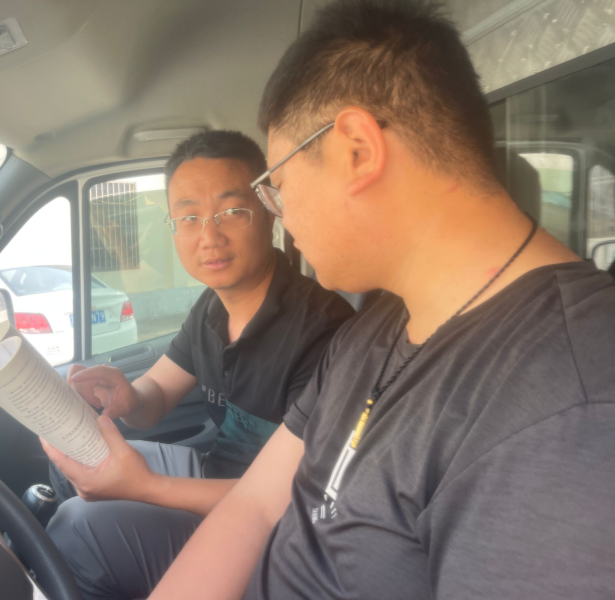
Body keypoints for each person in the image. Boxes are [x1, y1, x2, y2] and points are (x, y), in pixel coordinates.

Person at [147, 1, 615, 599]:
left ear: (358, 151)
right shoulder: (374, 330)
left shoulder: (573, 415)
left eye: (277, 185)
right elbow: (256, 506)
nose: (280, 215)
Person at [42, 130, 355, 599]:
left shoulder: (324, 332)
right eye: (189, 217)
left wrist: (145, 487)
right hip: (213, 473)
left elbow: (291, 500)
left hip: (273, 531)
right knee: (78, 462)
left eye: (231, 211)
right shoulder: (211, 308)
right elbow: (155, 398)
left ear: (269, 209)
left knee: (76, 529)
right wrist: (127, 396)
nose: (210, 237)